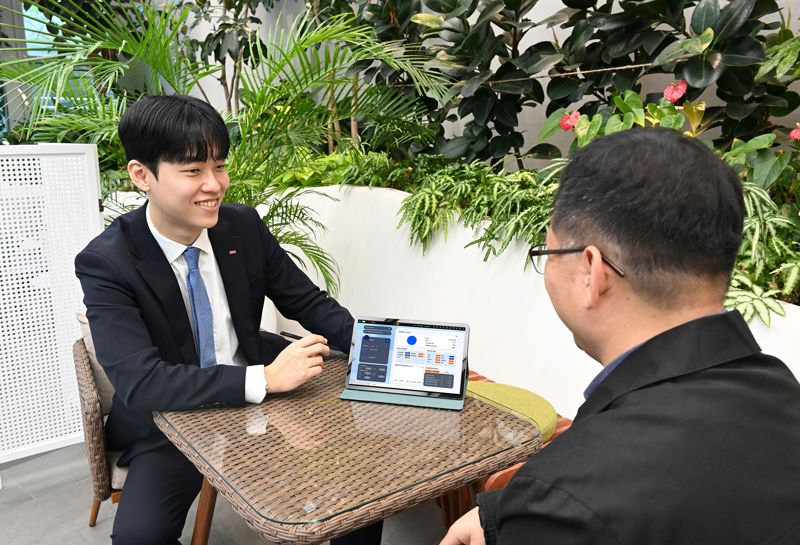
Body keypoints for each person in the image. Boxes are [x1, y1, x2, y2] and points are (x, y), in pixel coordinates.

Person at [441, 128, 800, 545]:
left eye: (548, 254)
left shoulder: (566, 501)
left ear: (591, 272)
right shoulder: (781, 390)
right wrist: (500, 514)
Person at [75, 95, 382, 545]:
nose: (214, 184)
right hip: (171, 419)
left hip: (269, 407)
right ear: (142, 175)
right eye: (193, 171)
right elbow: (142, 382)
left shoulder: (241, 226)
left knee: (359, 497)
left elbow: (308, 303)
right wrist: (264, 379)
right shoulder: (108, 262)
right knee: (139, 538)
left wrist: (377, 349)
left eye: (219, 166)